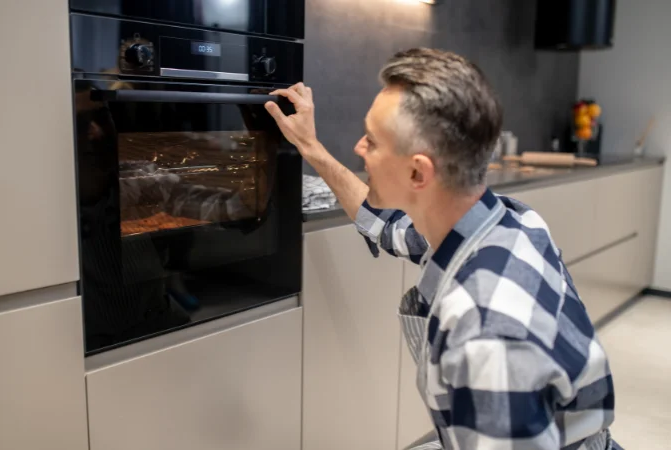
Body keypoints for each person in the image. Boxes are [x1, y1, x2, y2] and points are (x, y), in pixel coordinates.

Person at [264, 48, 620, 450]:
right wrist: (311, 147)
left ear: (418, 172)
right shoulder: (510, 222)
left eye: (373, 141)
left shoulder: (483, 330)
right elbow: (389, 228)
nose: (359, 148)